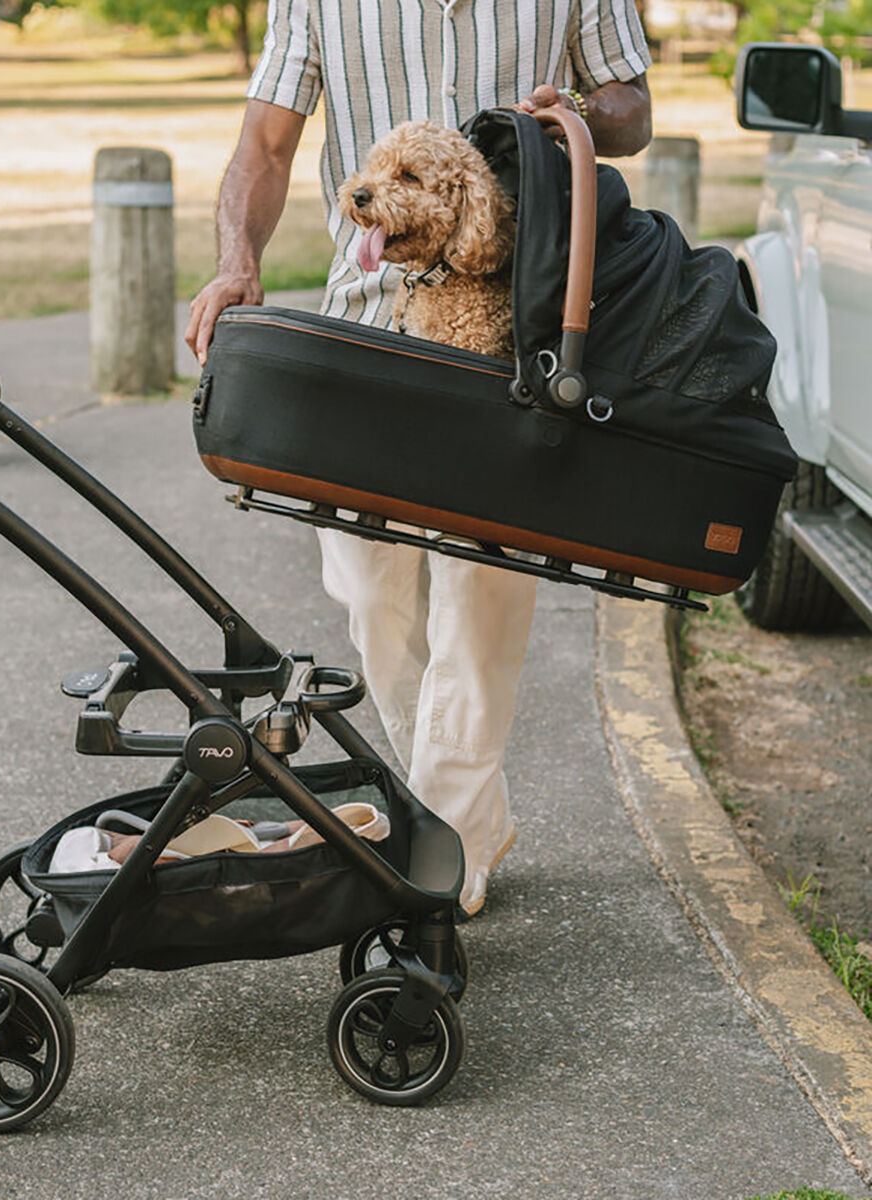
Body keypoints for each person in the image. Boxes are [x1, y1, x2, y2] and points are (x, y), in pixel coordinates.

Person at [184, 1, 653, 916]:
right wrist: (239, 258)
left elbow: (632, 105)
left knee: (480, 607)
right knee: (373, 604)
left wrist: (580, 115)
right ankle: (462, 814)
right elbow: (267, 145)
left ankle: (447, 855)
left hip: (517, 331)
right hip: (365, 320)